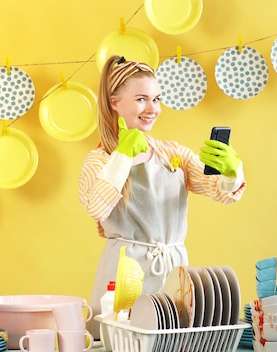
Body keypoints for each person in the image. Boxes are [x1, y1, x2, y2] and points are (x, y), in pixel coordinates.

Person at [78, 55, 246, 337]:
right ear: (114, 102)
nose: (152, 108)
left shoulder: (173, 153)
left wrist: (232, 172)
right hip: (123, 275)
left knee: (173, 340)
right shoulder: (99, 160)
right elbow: (97, 207)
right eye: (141, 98)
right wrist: (122, 157)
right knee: (123, 340)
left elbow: (220, 192)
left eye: (156, 99)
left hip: (173, 274)